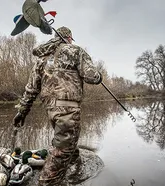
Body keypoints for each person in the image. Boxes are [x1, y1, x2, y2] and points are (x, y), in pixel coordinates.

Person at [13, 26, 102, 185]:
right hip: (68, 112)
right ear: (69, 38)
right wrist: (99, 75)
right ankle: (46, 182)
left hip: (51, 111)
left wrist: (21, 112)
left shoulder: (41, 59)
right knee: (61, 154)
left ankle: (75, 173)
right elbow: (92, 77)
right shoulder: (75, 51)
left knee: (69, 147)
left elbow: (31, 90)